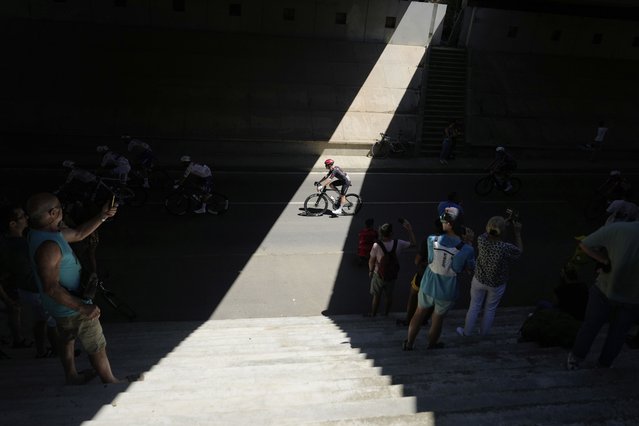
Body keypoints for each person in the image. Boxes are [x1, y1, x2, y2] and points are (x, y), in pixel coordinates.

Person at [25, 192, 125, 384]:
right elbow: (51, 288)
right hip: (70, 305)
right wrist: (82, 307)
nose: (63, 211)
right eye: (61, 208)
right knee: (96, 343)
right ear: (54, 212)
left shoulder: (41, 233)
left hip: (61, 307)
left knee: (67, 337)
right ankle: (110, 382)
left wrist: (102, 215)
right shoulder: (49, 247)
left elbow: (79, 234)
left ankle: (72, 376)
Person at [566, 219, 639, 369]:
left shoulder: (618, 228)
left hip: (605, 289)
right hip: (633, 298)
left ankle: (576, 359)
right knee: (618, 334)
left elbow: (585, 244)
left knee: (590, 326)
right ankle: (604, 365)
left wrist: (604, 261)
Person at [403, 207, 474, 350]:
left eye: (444, 219)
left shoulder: (432, 239)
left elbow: (429, 260)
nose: (442, 221)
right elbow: (469, 268)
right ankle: (432, 344)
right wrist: (468, 243)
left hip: (428, 283)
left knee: (419, 313)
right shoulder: (467, 249)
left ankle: (409, 343)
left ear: (450, 224)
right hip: (447, 290)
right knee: (437, 318)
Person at [0, 204, 59, 357]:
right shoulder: (19, 245)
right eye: (21, 216)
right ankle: (58, 350)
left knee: (41, 320)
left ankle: (42, 351)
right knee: (51, 319)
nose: (26, 217)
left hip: (26, 288)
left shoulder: (12, 242)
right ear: (13, 224)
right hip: (34, 287)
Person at [457, 215, 523, 337]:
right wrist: (517, 233)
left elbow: (489, 232)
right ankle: (483, 334)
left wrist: (502, 223)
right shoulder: (504, 247)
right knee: (490, 309)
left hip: (479, 279)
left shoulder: (481, 239)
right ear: (502, 232)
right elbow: (519, 251)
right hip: (496, 284)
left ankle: (466, 332)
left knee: (474, 306)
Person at [367, 221, 416, 317]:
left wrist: (370, 271)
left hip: (378, 274)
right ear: (391, 233)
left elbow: (371, 260)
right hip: (392, 274)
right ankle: (386, 314)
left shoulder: (376, 245)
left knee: (376, 296)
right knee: (389, 296)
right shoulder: (399, 243)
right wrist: (409, 230)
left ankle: (373, 314)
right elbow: (414, 244)